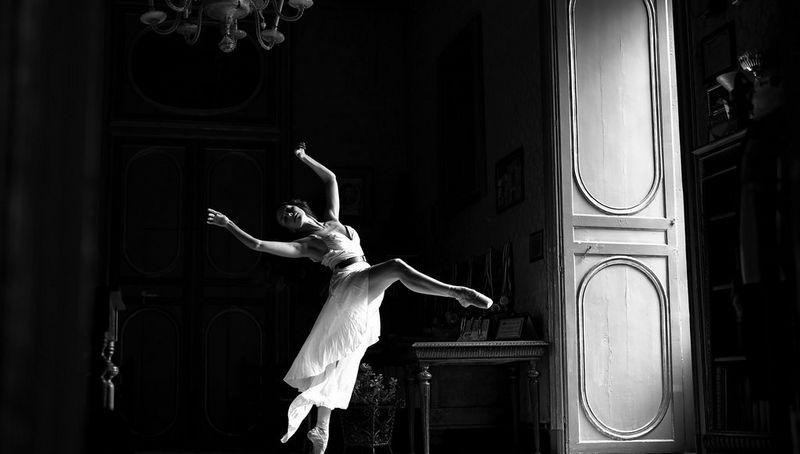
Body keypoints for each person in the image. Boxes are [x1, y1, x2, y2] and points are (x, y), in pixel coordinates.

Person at [206, 143, 492, 454]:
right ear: (291, 228)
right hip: (350, 281)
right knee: (396, 267)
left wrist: (303, 158)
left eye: (289, 209)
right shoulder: (309, 244)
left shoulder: (332, 219)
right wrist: (229, 225)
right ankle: (457, 293)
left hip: (362, 278)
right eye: (285, 219)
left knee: (343, 352)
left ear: (299, 206)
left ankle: (322, 427)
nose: (288, 215)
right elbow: (260, 245)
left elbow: (330, 179)